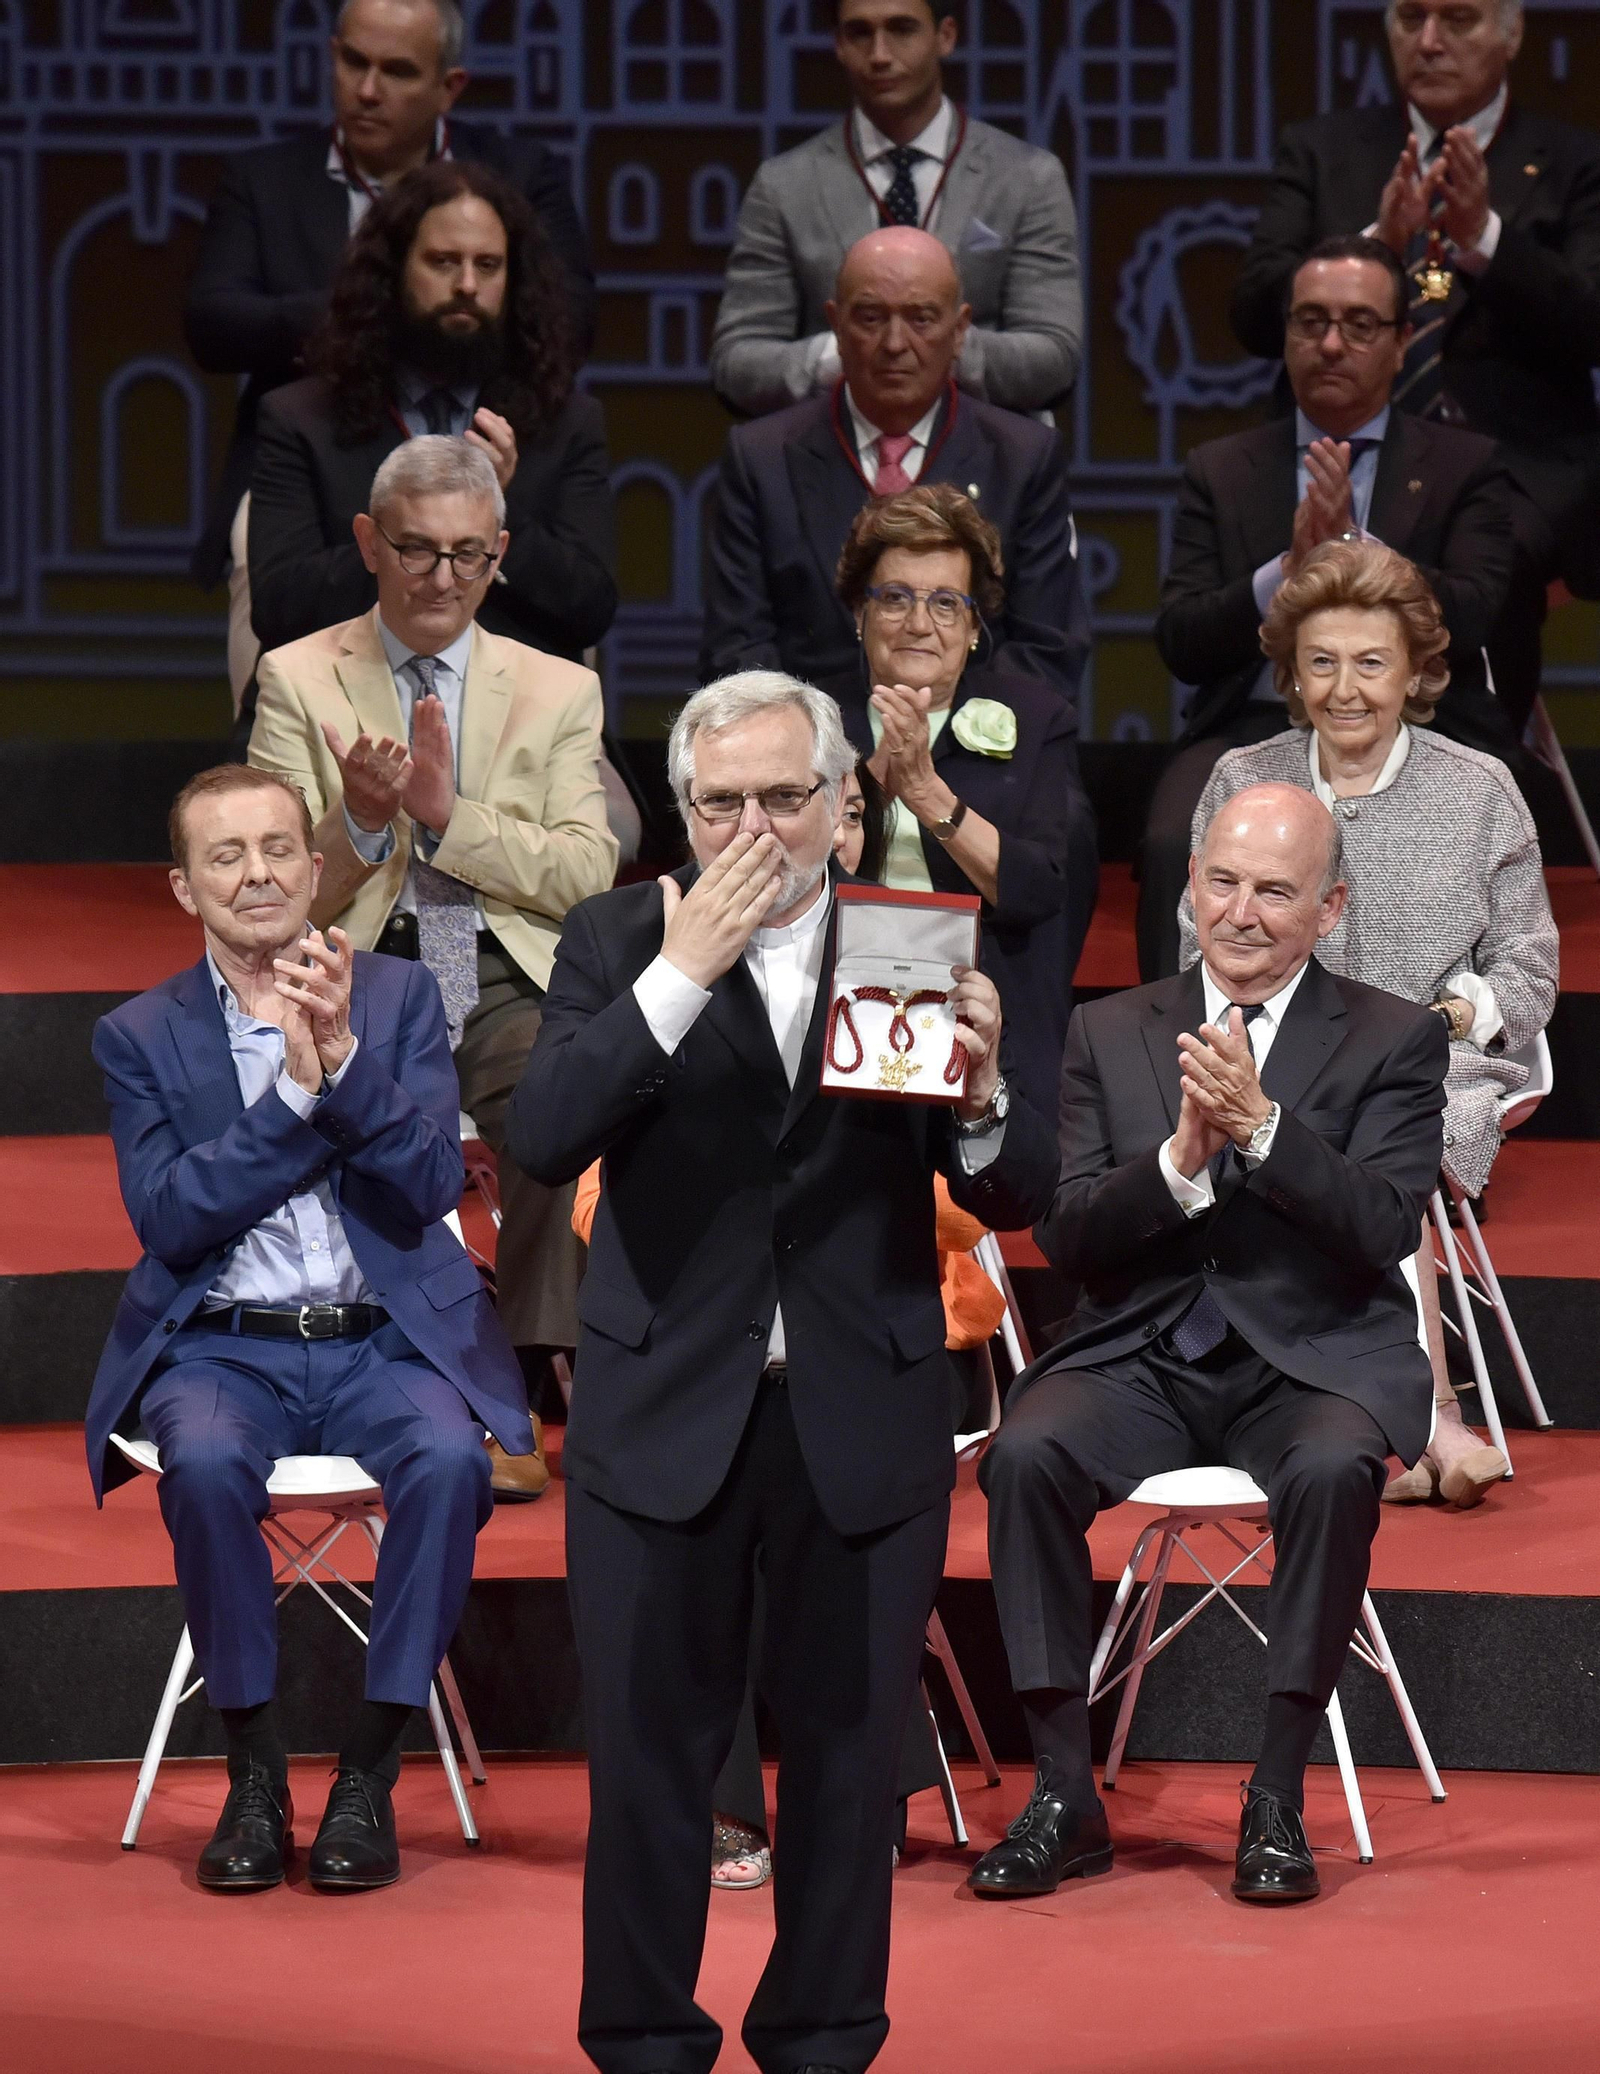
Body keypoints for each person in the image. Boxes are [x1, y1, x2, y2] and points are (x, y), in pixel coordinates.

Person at [507, 671, 1056, 2073]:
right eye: (718, 802)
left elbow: (1013, 1190)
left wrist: (984, 1098)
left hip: (854, 1412)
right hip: (660, 1412)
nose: (750, 825)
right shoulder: (618, 935)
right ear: (682, 812)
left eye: (781, 796)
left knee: (847, 1765)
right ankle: (641, 2039)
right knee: (645, 1767)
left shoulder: (907, 942)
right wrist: (684, 968)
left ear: (843, 802)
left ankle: (822, 2038)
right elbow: (550, 1133)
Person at [970, 783, 1449, 1908]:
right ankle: (1061, 1793)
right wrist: (1179, 1169)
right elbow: (1069, 1232)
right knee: (1026, 1455)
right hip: (1141, 1349)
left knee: (1334, 1469)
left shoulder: (1393, 1036)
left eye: (1275, 891)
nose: (1240, 912)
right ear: (1189, 887)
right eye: (1221, 882)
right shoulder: (1108, 1027)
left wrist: (1265, 1132)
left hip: (1311, 1355)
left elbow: (1384, 1225)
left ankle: (1276, 1793)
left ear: (1327, 909)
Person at [86, 763, 533, 1894]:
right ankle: (253, 1772)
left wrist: (340, 1064)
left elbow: (435, 1177)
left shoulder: (395, 998)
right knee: (199, 1461)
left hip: (384, 1336)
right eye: (225, 856)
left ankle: (370, 1774)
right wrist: (290, 1102)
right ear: (184, 888)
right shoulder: (138, 1035)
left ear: (317, 866)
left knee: (443, 1459)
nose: (257, 874)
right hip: (225, 1342)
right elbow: (171, 1216)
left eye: (278, 847)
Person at [249, 436, 617, 1502]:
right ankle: (444, 1388)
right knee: (374, 1125)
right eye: (416, 550)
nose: (442, 578)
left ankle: (514, 1375)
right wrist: (361, 821)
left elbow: (589, 876)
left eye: (467, 554)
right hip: (355, 968)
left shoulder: (556, 688)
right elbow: (269, 896)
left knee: (563, 1100)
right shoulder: (299, 674)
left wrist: (449, 820)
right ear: (368, 542)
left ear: (500, 554)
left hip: (492, 962)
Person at [1179, 539, 1558, 1508]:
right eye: (1321, 663)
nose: (1345, 689)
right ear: (1291, 675)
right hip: (1269, 1050)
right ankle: (1424, 1416)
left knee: (1380, 1125)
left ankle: (1414, 1408)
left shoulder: (1478, 789)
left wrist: (1454, 1013)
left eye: (1371, 663)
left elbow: (1530, 965)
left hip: (1433, 1063)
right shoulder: (1240, 779)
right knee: (1305, 1118)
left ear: (1419, 671)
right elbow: (1198, 947)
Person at [183, 0, 594, 712]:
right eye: (354, 62)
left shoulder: (517, 173)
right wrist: (372, 315)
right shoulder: (266, 177)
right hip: (325, 452)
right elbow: (214, 321)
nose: (368, 89)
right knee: (273, 578)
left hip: (486, 437)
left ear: (450, 85)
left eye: (397, 71)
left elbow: (570, 315)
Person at [1140, 233, 1515, 980]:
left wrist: (1356, 549)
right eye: (1310, 322)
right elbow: (1181, 638)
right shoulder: (1222, 467)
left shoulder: (1463, 463)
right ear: (1284, 335)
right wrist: (1285, 570)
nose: (1332, 343)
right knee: (1167, 838)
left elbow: (1479, 612)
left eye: (1359, 324)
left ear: (1403, 340)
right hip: (1255, 721)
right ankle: (1171, 1043)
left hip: (1415, 718)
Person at [1229, 0, 1600, 722]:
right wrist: (1373, 246)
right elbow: (1251, 314)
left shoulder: (1575, 161)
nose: (1428, 41)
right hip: (1334, 445)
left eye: (1457, 19)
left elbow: (1592, 325)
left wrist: (1486, 238)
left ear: (1512, 33)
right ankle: (1282, 739)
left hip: (1514, 463)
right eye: (1410, 17)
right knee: (1266, 527)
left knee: (1494, 542)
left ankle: (1484, 747)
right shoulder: (1324, 149)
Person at [246, 158, 614, 684]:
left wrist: (498, 515)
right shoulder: (301, 418)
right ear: (394, 273)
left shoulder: (567, 422)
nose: (467, 284)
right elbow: (281, 607)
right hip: (340, 706)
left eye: (488, 266)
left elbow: (591, 609)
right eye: (443, 262)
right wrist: (406, 538)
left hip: (515, 722)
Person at [701, 226, 1090, 700]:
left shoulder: (1024, 457)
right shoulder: (761, 457)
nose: (894, 343)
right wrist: (828, 751)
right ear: (836, 325)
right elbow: (737, 651)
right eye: (870, 317)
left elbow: (1046, 650)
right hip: (809, 754)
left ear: (960, 329)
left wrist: (935, 744)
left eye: (921, 318)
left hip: (978, 753)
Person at [822, 482, 1096, 1120]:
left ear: (974, 627)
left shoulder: (1034, 718)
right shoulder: (807, 716)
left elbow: (1040, 888)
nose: (920, 623)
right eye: (895, 598)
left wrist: (927, 793)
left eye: (946, 603)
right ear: (858, 614)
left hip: (977, 1003)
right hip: (833, 998)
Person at [709, 0, 1080, 418]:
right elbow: (736, 364)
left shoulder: (1027, 178)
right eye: (860, 33)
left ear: (946, 36)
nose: (880, 55)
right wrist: (846, 352)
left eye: (902, 30)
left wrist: (933, 344)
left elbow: (1055, 357)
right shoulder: (784, 187)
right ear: (838, 45)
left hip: (990, 463)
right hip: (832, 459)